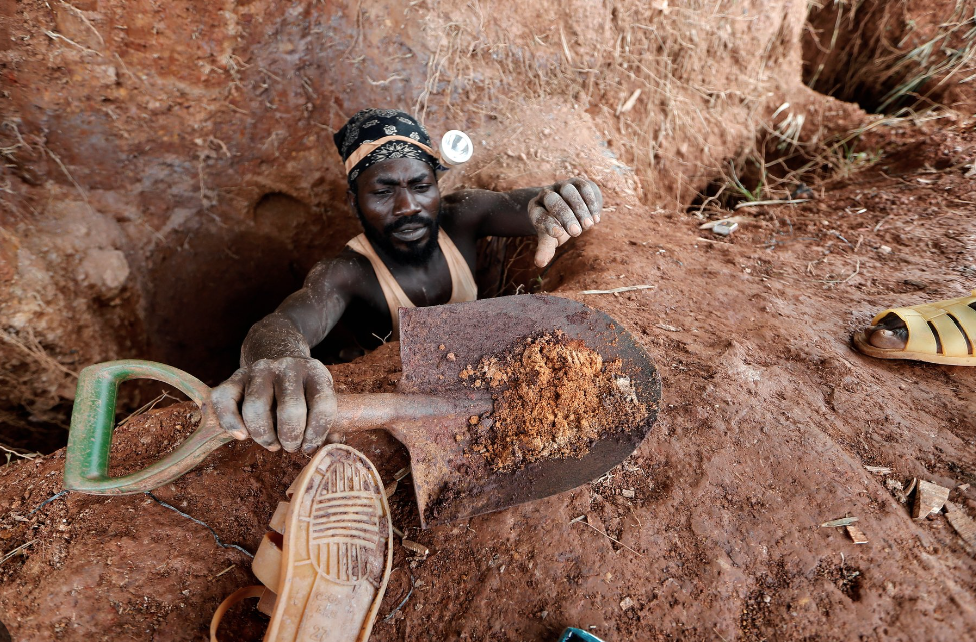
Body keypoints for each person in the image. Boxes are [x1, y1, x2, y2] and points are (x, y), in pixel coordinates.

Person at [212, 108, 604, 453]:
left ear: (437, 186)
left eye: (420, 186)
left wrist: (563, 201)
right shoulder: (348, 271)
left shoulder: (462, 216)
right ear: (354, 203)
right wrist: (282, 357)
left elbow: (528, 203)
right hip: (408, 404)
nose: (408, 207)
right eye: (383, 192)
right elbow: (283, 324)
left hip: (488, 383)